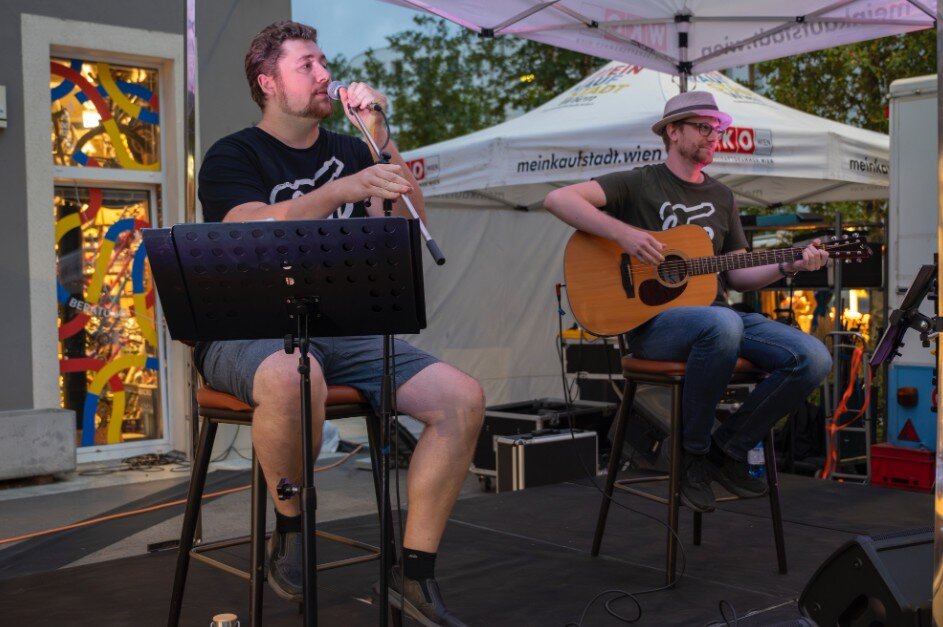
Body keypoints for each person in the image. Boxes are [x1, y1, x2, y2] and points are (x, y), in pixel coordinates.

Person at [195, 21, 483, 626]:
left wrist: (380, 135)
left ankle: (415, 571)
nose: (326, 73)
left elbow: (410, 225)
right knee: (291, 375)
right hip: (248, 331)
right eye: (307, 65)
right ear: (268, 82)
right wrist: (341, 190)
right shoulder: (233, 153)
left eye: (325, 61)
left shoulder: (354, 149)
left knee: (461, 398)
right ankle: (292, 528)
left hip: (341, 327)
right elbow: (246, 223)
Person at [544, 91, 832, 513]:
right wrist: (623, 235)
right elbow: (558, 199)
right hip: (656, 326)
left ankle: (726, 450)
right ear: (672, 131)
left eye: (717, 129)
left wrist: (789, 265)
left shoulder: (722, 197)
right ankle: (691, 454)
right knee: (723, 327)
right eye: (703, 127)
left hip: (717, 319)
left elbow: (737, 273)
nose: (714, 135)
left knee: (813, 357)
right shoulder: (639, 182)